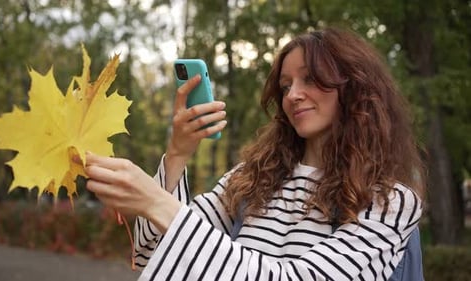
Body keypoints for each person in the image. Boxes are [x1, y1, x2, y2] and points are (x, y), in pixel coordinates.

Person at [84, 26, 426, 280]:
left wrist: (158, 203)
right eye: (286, 85)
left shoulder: (389, 202)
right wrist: (177, 154)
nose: (293, 95)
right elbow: (152, 254)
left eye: (310, 79)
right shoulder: (250, 179)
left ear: (354, 86)